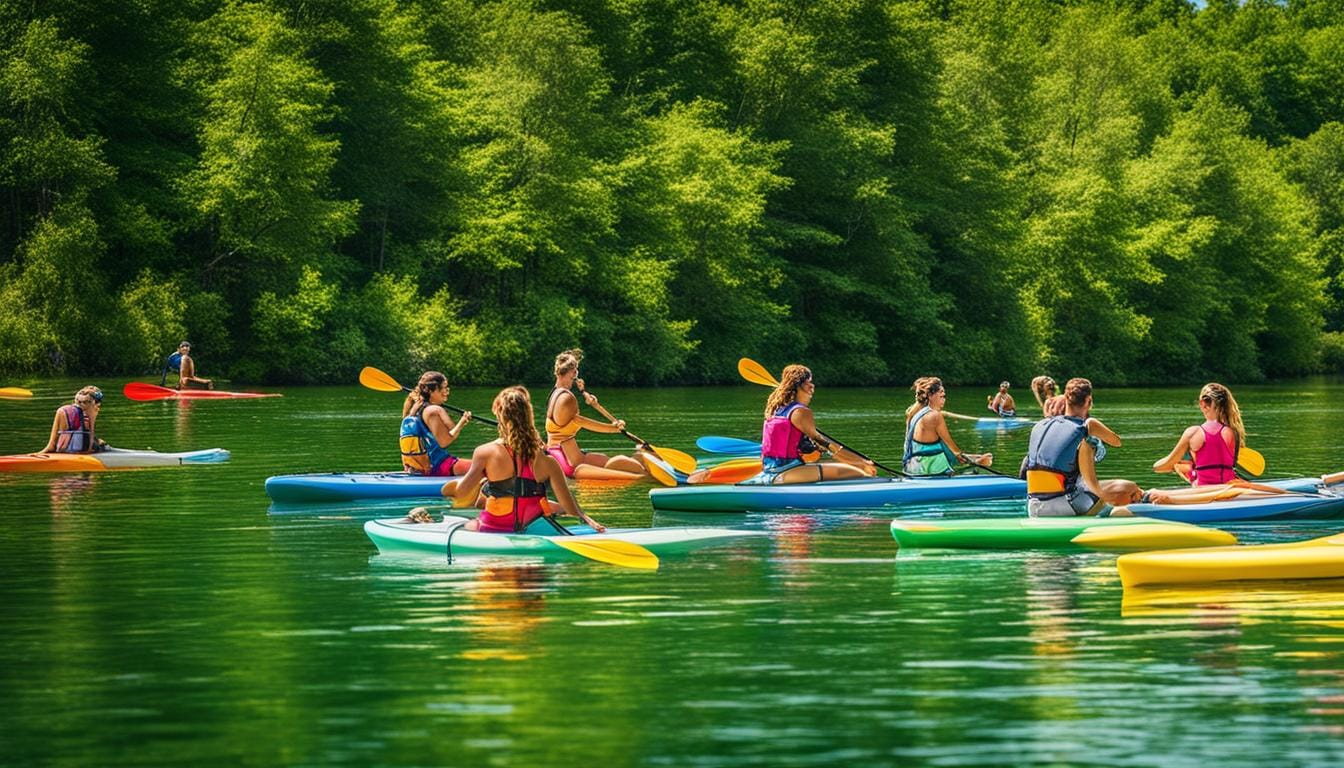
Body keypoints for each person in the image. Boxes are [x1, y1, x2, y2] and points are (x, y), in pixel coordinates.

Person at [441, 385, 606, 533]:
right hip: (530, 525)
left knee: (464, 526)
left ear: (500, 416)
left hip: (493, 526)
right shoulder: (547, 461)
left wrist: (448, 489)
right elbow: (571, 508)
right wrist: (585, 518)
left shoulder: (485, 452)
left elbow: (461, 492)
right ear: (528, 417)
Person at [1024, 377, 1142, 517]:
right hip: (1063, 505)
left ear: (1066, 399)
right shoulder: (1086, 426)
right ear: (1089, 401)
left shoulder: (1039, 425)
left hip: (1033, 505)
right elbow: (1116, 441)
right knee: (1128, 489)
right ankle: (1119, 515)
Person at [747, 364, 875, 484]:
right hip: (787, 472)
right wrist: (860, 462)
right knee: (860, 472)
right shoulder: (800, 411)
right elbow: (825, 444)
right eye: (809, 382)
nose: (812, 386)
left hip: (769, 470)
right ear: (798, 386)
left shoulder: (776, 410)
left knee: (832, 464)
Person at [544, 349, 646, 480]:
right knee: (627, 466)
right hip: (570, 462)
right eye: (575, 371)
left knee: (607, 459)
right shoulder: (567, 398)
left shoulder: (553, 394)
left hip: (562, 454)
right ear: (574, 372)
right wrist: (613, 428)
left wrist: (583, 393)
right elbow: (581, 421)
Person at [1151, 383, 1244, 486]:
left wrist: (1176, 467)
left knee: (1179, 465)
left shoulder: (1193, 433)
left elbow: (1160, 467)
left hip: (1203, 490)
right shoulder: (1234, 432)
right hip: (1228, 486)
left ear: (1203, 404)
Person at [904, 377, 992, 475]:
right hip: (929, 471)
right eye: (942, 396)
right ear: (930, 396)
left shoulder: (915, 416)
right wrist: (976, 462)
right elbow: (954, 451)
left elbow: (947, 450)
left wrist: (975, 458)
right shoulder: (935, 416)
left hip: (911, 469)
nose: (944, 400)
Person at [399, 371, 472, 477]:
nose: (447, 392)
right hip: (440, 466)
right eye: (444, 388)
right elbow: (445, 442)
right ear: (430, 390)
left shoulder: (415, 410)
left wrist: (462, 422)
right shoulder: (434, 410)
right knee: (487, 466)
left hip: (419, 468)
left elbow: (450, 429)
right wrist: (462, 422)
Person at [41, 386, 108, 454]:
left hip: (65, 447)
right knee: (101, 443)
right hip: (83, 447)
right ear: (97, 404)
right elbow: (91, 430)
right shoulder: (93, 408)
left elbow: (51, 445)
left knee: (100, 442)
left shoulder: (62, 410)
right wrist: (89, 449)